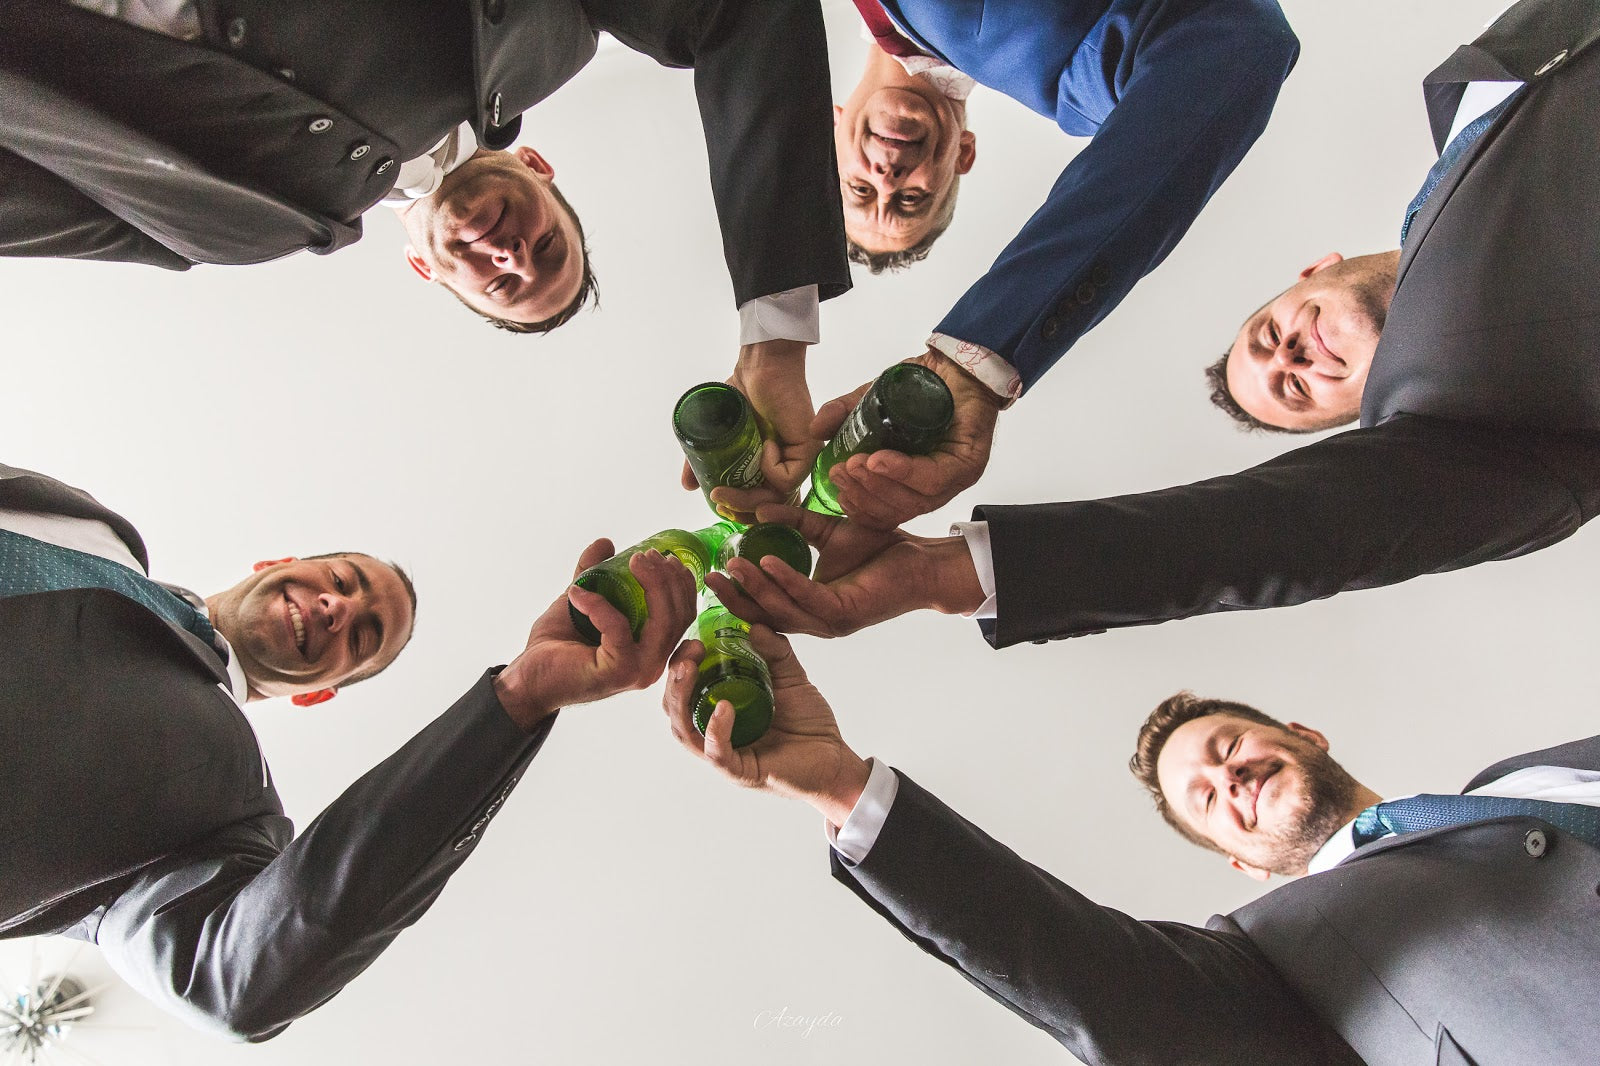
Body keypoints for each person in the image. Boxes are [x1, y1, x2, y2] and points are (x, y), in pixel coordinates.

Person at [703, 0, 1600, 649]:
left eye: (1264, 339)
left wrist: (775, 327)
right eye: (1293, 387)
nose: (1288, 351)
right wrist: (954, 568)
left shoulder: (1469, 100)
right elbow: (1286, 534)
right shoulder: (1477, 433)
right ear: (1363, 428)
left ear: (1313, 268)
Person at [0, 0, 849, 489]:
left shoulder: (238, 229)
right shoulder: (548, 32)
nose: (513, 258)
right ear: (540, 167)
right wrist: (777, 340)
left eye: (505, 285)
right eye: (548, 249)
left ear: (425, 269)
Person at [666, 631, 1600, 1064]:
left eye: (1230, 747)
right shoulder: (1275, 955)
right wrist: (841, 784)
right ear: (1239, 863)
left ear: (1307, 735)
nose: (1228, 778)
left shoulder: (1528, 777)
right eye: (1206, 797)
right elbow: (1091, 980)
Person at [0, 462, 698, 1040]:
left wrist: (516, 698)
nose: (338, 609)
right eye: (340, 580)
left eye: (361, 639)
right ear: (277, 564)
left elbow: (240, 981)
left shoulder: (228, 809)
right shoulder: (95, 528)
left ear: (317, 694)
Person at [742, 0, 1296, 531]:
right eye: (911, 200)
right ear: (962, 155)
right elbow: (1240, 43)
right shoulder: (1083, 76)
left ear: (829, 129)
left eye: (859, 188)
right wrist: (977, 362)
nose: (887, 182)